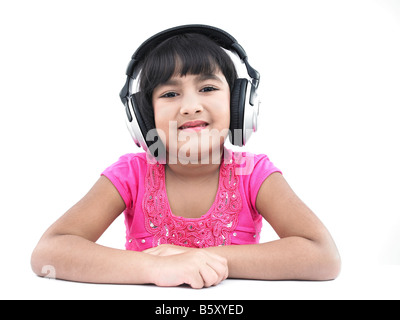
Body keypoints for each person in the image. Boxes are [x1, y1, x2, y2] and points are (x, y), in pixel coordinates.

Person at [31, 25, 341, 288]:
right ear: (144, 117)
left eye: (207, 88)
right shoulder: (130, 174)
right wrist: (156, 268)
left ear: (239, 104)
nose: (190, 106)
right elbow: (49, 252)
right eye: (169, 94)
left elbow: (323, 256)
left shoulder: (253, 173)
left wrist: (198, 259)